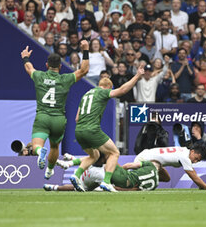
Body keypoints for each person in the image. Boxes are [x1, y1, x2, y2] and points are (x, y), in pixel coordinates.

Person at [20, 40, 90, 179]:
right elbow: (84, 70)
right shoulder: (65, 79)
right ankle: (50, 170)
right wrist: (86, 50)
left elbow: (29, 68)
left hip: (43, 117)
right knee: (54, 148)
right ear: (60, 66)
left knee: (36, 146)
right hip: (58, 119)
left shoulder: (39, 76)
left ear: (47, 65)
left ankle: (40, 153)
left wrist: (25, 57)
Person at [70, 66, 145, 192]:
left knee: (94, 155)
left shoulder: (86, 95)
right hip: (91, 130)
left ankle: (76, 175)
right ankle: (106, 182)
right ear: (108, 87)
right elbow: (121, 91)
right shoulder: (102, 92)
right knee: (114, 152)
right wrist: (137, 76)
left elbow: (77, 118)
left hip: (78, 131)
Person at [45, 156, 161, 191]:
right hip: (126, 184)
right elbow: (136, 189)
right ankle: (54, 187)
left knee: (107, 156)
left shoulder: (149, 164)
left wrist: (120, 169)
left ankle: (71, 162)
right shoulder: (155, 183)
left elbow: (129, 166)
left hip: (121, 177)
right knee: (79, 187)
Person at [133, 144, 206, 190]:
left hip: (148, 156)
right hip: (143, 159)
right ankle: (135, 180)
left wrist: (202, 186)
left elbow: (193, 172)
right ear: (192, 151)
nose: (195, 162)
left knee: (166, 178)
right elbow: (193, 176)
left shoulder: (184, 150)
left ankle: (141, 179)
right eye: (196, 158)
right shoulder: (184, 157)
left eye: (198, 161)